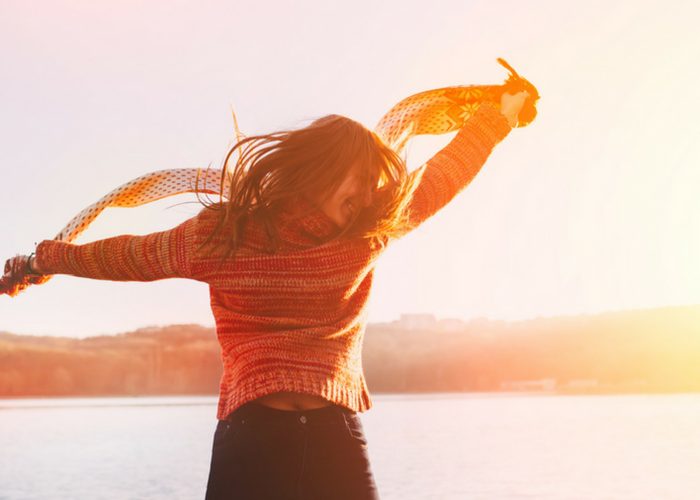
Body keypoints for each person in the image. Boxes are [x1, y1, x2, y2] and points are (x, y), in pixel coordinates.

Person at [5, 90, 530, 499]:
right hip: (255, 438)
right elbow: (129, 255)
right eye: (361, 179)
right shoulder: (224, 234)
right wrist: (40, 261)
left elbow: (441, 176)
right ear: (322, 168)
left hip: (333, 435)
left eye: (374, 183)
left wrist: (498, 118)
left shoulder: (366, 233)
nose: (369, 194)